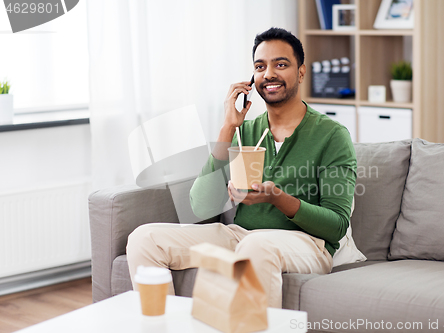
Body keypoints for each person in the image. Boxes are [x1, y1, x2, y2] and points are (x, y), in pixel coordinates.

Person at [127, 27, 357, 308]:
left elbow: (335, 226)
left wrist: (278, 198)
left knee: (255, 246)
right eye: (260, 67)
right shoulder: (246, 132)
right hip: (242, 236)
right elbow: (201, 206)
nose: (269, 74)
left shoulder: (332, 135)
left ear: (301, 72)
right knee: (144, 239)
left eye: (280, 64)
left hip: (308, 243)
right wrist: (227, 127)